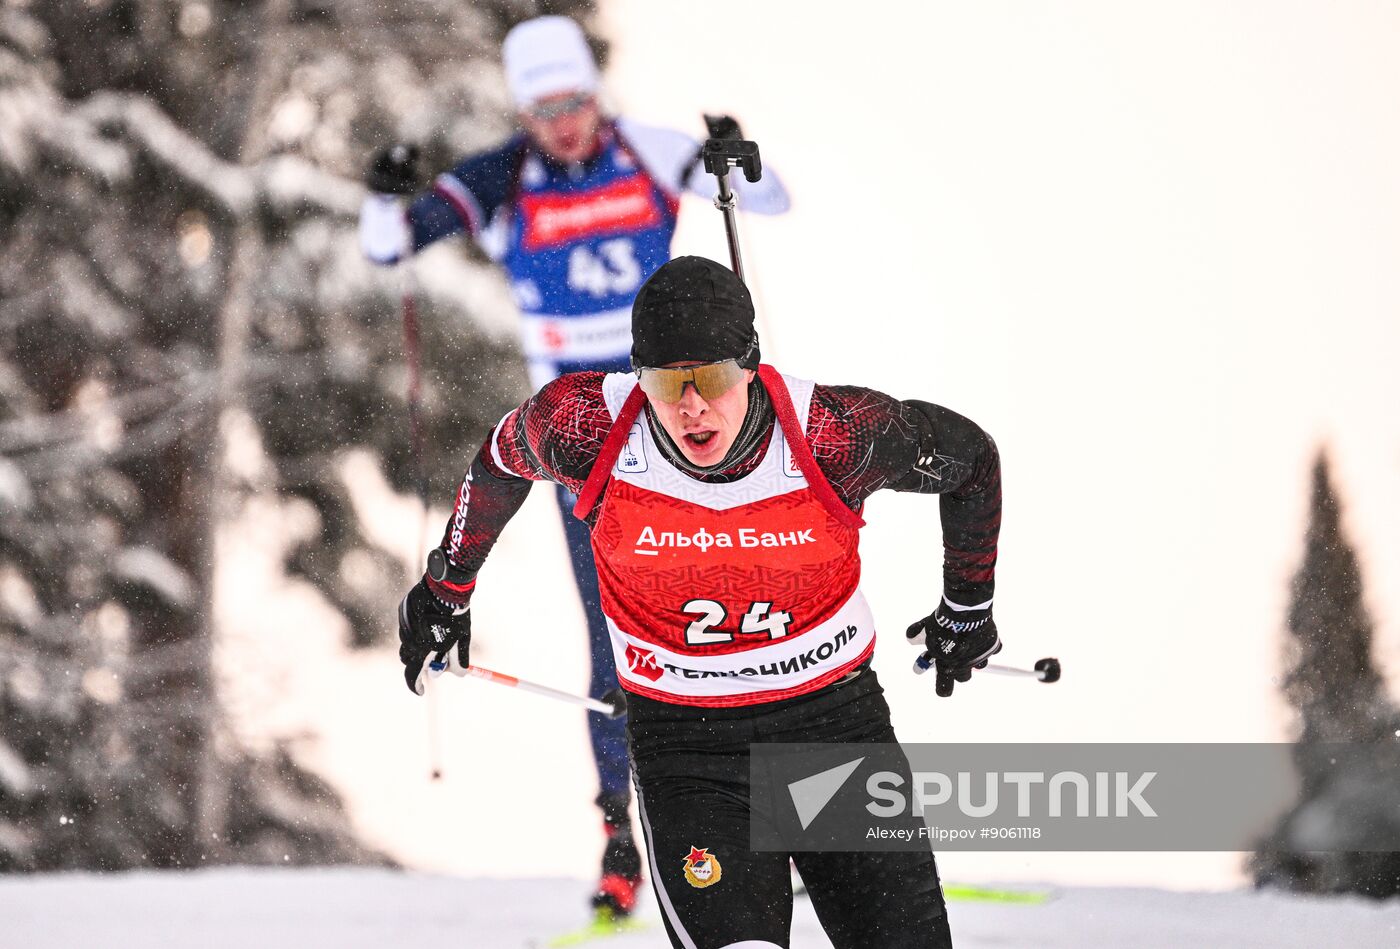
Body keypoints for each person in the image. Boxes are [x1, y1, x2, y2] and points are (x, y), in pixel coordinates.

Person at [397, 255, 1002, 948]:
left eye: (710, 378)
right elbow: (502, 460)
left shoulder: (834, 434)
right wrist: (446, 588)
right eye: (665, 382)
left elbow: (972, 461)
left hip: (833, 732)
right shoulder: (589, 426)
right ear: (638, 376)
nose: (690, 406)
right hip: (690, 752)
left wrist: (968, 606)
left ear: (748, 363)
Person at [359, 15, 790, 917]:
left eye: (576, 102)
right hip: (584, 440)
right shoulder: (504, 175)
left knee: (756, 605)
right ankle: (625, 838)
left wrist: (731, 157)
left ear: (597, 94)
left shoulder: (645, 147)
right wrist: (384, 191)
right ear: (524, 110)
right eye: (544, 108)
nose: (564, 123)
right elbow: (390, 243)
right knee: (619, 636)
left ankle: (793, 824)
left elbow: (773, 199)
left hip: (686, 409)